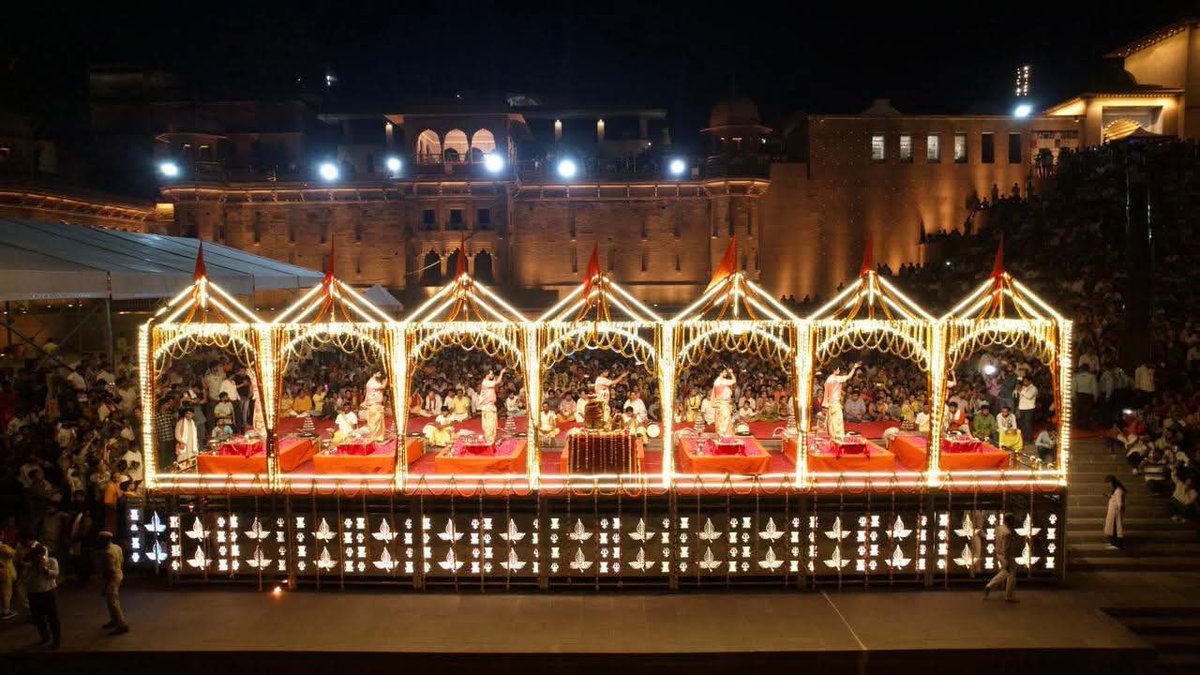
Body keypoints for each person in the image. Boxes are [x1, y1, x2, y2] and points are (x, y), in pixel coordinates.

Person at [23, 544, 61, 649]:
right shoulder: (29, 566)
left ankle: (56, 640)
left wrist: (45, 570)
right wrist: (32, 569)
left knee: (52, 617)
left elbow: (55, 574)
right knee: (38, 618)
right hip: (34, 593)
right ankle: (45, 637)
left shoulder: (51, 562)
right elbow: (24, 579)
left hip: (48, 592)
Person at [983, 513, 1020, 602]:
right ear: (1009, 521)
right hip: (1006, 556)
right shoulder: (1007, 533)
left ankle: (989, 586)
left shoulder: (999, 528)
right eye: (1013, 520)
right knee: (1011, 575)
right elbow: (1007, 548)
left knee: (1005, 572)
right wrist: (1007, 559)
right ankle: (1008, 596)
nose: (1014, 522)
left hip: (999, 554)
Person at [98, 532, 129, 635]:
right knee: (111, 600)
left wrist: (105, 584)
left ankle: (121, 624)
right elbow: (122, 560)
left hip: (113, 577)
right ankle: (114, 620)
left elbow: (109, 570)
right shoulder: (117, 547)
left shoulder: (107, 553)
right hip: (119, 572)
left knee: (112, 601)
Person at [823, 363, 861, 440]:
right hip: (835, 402)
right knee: (838, 421)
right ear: (834, 370)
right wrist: (854, 368)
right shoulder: (837, 379)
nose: (839, 370)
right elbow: (849, 376)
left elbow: (826, 393)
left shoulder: (828, 379)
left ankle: (832, 436)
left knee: (831, 421)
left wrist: (825, 404)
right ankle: (838, 437)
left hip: (829, 403)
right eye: (838, 369)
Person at [480, 368, 506, 445]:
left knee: (493, 424)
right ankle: (489, 441)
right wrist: (502, 372)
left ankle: (492, 440)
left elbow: (496, 386)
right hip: (488, 407)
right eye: (491, 374)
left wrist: (494, 379)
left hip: (490, 406)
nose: (492, 375)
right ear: (487, 375)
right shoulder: (486, 382)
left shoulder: (488, 382)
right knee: (489, 424)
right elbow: (498, 382)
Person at [712, 367, 737, 438]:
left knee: (725, 418)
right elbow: (734, 381)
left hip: (724, 403)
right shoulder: (719, 382)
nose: (726, 373)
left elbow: (733, 382)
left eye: (726, 372)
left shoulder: (722, 381)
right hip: (722, 403)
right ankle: (722, 434)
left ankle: (725, 434)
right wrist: (731, 373)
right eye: (725, 372)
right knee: (724, 418)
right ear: (721, 373)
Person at [363, 371, 387, 442]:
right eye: (379, 373)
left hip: (377, 404)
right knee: (374, 423)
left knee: (379, 422)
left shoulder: (376, 381)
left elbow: (381, 390)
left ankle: (379, 438)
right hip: (374, 404)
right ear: (374, 373)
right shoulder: (371, 383)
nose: (380, 375)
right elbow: (383, 387)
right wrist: (387, 378)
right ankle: (375, 438)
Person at [1104, 475, 1125, 550]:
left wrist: (1119, 511)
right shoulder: (1116, 490)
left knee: (1115, 529)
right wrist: (1110, 496)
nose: (1109, 486)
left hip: (1115, 513)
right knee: (1112, 528)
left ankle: (1117, 545)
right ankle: (1113, 543)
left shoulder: (1118, 490)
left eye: (1109, 484)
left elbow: (1119, 503)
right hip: (1113, 512)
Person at [1016, 377, 1037, 446]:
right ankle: (1025, 439)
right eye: (1024, 381)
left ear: (1030, 381)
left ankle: (1029, 440)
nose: (1024, 382)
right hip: (1022, 408)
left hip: (1029, 408)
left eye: (1025, 381)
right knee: (1023, 424)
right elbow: (1019, 396)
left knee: (1028, 424)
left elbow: (1029, 396)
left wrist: (1021, 390)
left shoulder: (1034, 388)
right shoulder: (1024, 388)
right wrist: (1017, 390)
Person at [0, 539, 15, 620]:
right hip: (5, 572)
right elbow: (13, 553)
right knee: (7, 593)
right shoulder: (3, 547)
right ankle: (6, 611)